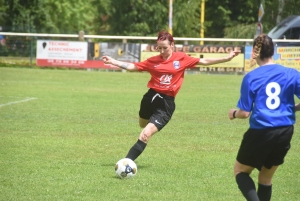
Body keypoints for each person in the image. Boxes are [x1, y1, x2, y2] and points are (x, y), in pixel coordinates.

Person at [102, 30, 240, 162]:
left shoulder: (182, 58)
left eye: (165, 48)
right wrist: (113, 61)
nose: (161, 52)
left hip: (166, 104)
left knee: (145, 134)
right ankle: (149, 124)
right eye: (159, 48)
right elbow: (133, 67)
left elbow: (203, 61)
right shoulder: (153, 60)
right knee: (142, 125)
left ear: (172, 45)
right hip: (150, 98)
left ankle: (127, 162)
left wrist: (226, 58)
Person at [228, 34, 300, 201]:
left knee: (240, 171)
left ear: (255, 52)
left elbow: (245, 112)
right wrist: (293, 108)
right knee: (265, 178)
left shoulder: (252, 77)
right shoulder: (291, 73)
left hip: (261, 131)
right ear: (273, 51)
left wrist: (233, 113)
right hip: (285, 131)